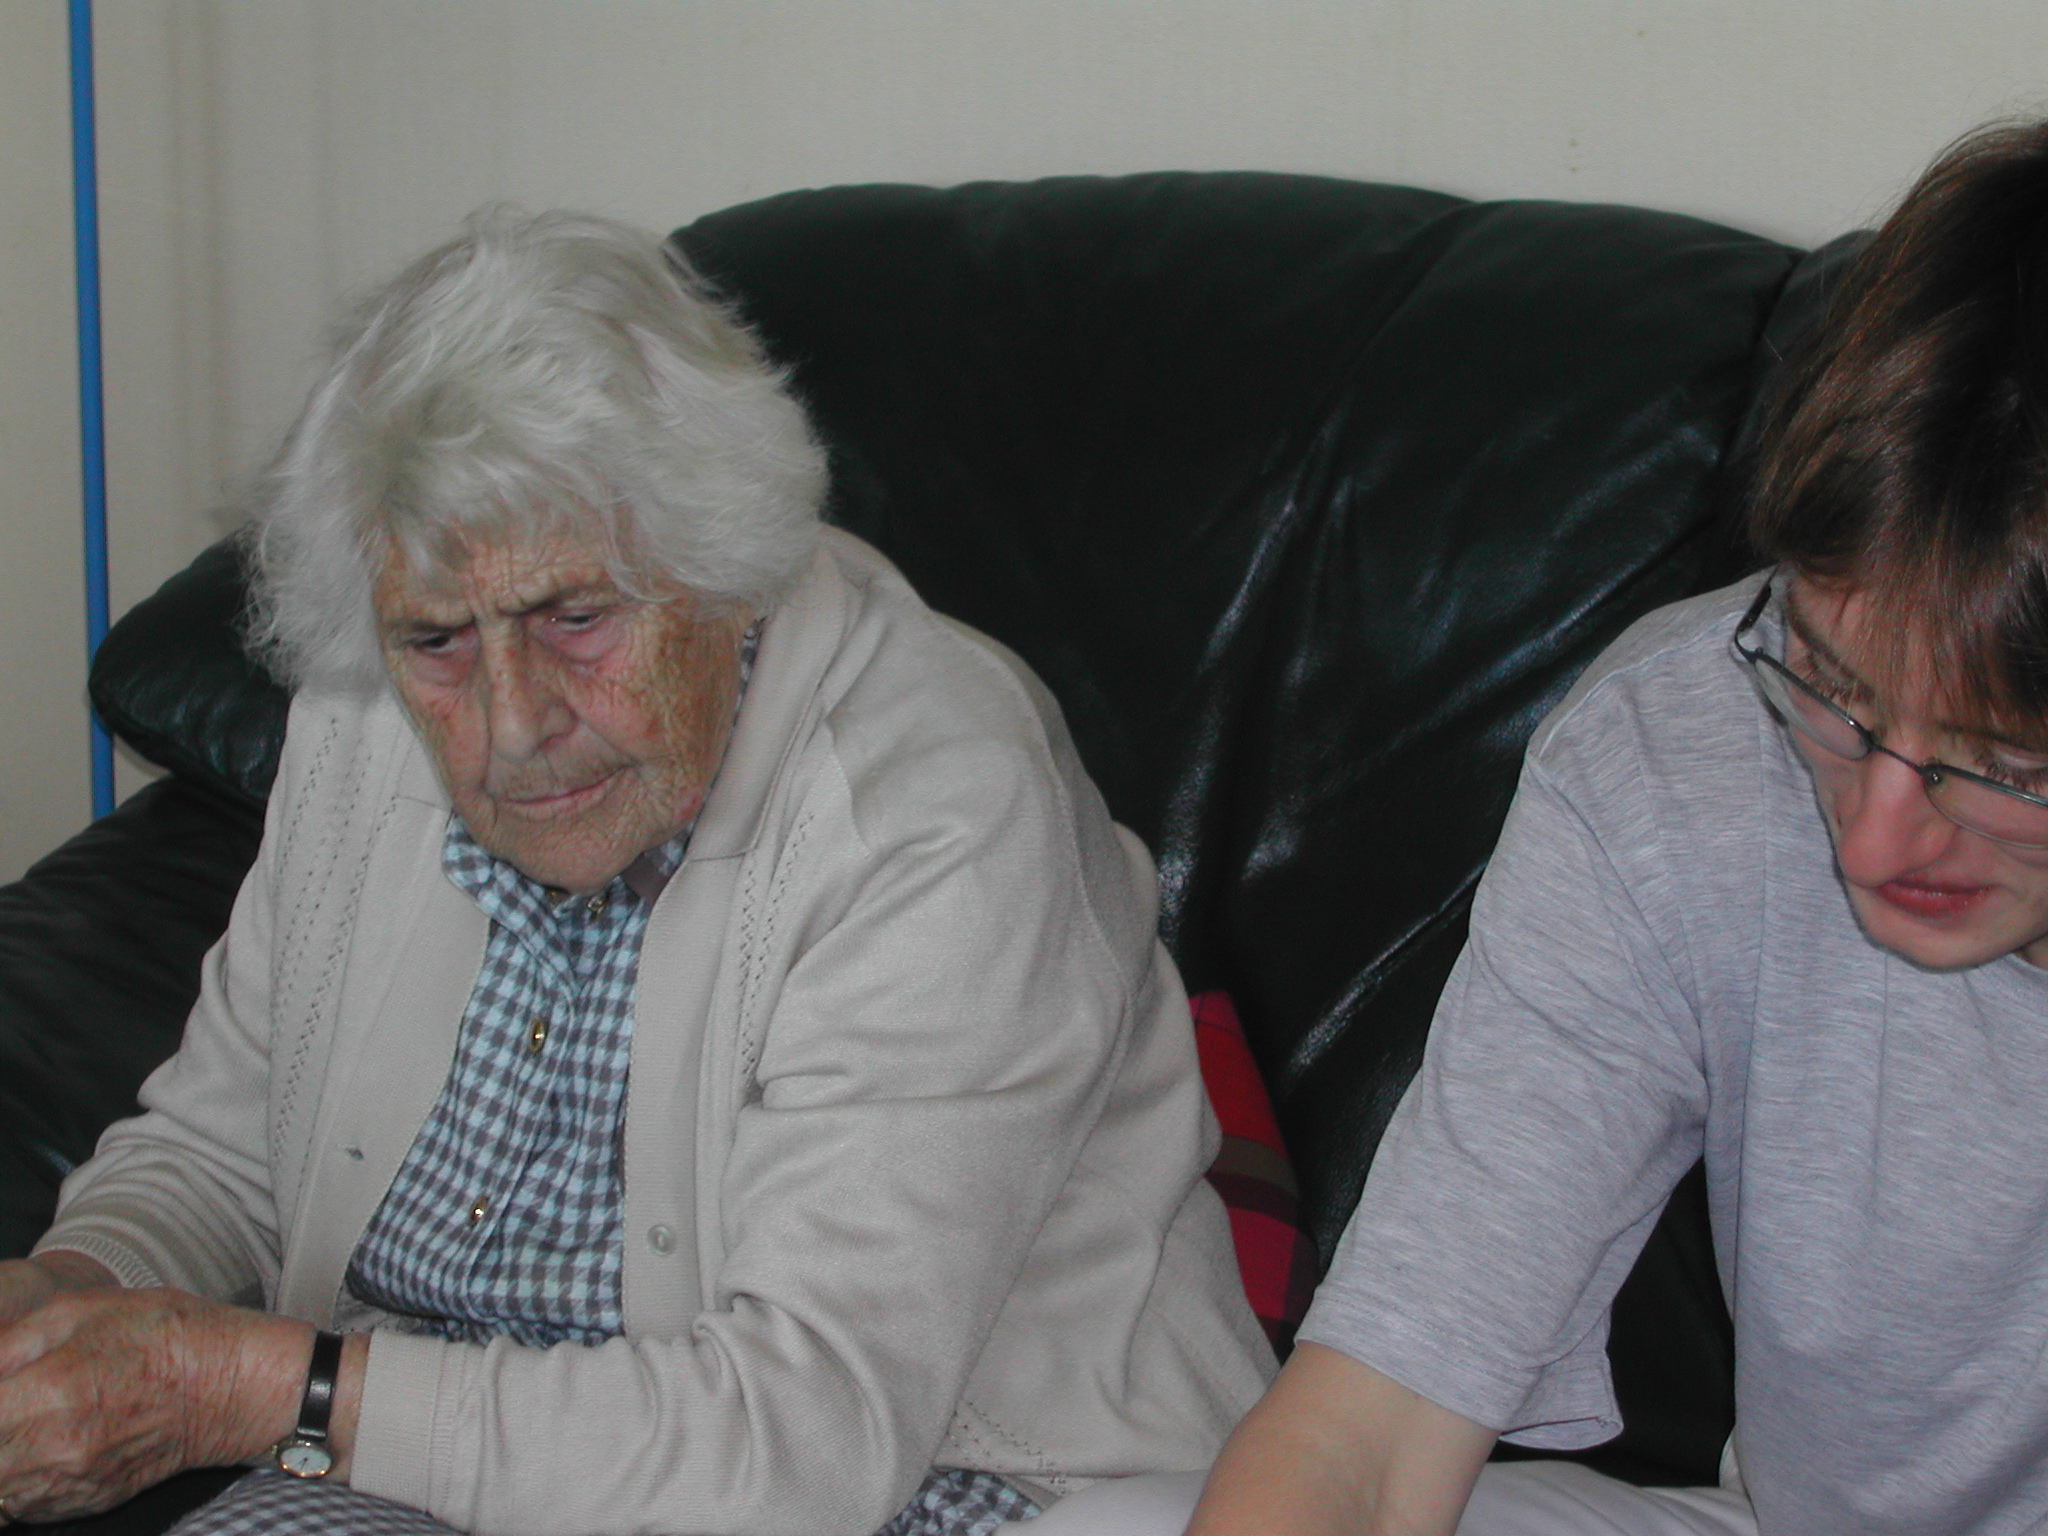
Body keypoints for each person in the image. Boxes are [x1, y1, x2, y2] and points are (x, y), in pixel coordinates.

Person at [0, 209, 1273, 1536]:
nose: (511, 727)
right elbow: (221, 1152)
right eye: (436, 640)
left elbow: (793, 1450)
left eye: (576, 617)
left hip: (919, 1482)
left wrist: (254, 1391)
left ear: (728, 565)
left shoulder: (938, 801)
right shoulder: (360, 721)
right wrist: (72, 1294)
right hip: (412, 1446)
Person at [1186, 117, 2048, 1536]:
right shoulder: (1678, 740)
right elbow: (1380, 1413)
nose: (1873, 839)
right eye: (1831, 685)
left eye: (2002, 764)